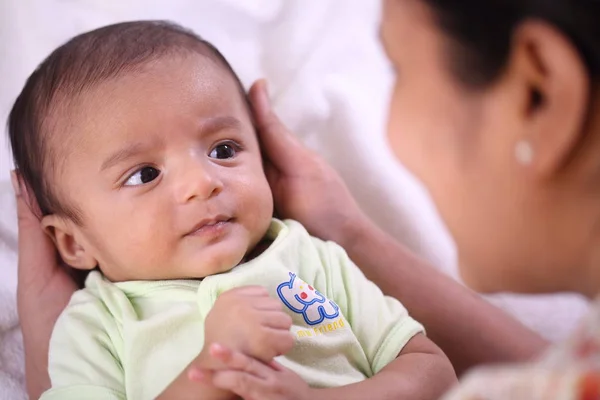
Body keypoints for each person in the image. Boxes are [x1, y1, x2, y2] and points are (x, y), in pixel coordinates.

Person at [8, 20, 456, 400]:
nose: (202, 182)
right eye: (145, 174)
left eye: (223, 149)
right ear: (72, 241)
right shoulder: (97, 324)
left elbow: (432, 369)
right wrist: (210, 370)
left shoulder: (310, 257)